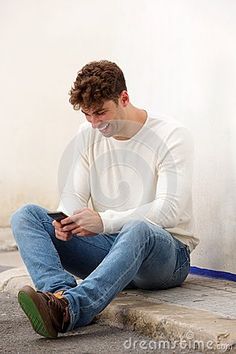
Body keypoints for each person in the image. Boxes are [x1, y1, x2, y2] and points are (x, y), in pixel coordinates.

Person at [10, 60, 199, 338]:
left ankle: (72, 309)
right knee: (26, 216)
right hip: (109, 251)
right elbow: (74, 194)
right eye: (87, 115)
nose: (95, 123)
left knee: (139, 228)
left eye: (100, 113)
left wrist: (103, 222)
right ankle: (58, 297)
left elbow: (170, 209)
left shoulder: (171, 135)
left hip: (165, 256)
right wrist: (68, 219)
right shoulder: (87, 134)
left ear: (124, 98)